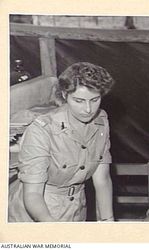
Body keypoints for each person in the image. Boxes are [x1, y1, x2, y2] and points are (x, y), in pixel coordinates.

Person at [8, 62, 115, 222]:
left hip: (76, 206)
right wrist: (54, 230)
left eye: (94, 100)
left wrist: (108, 221)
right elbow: (32, 194)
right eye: (78, 101)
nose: (88, 109)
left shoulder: (101, 121)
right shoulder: (42, 129)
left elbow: (102, 179)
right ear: (65, 95)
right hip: (36, 211)